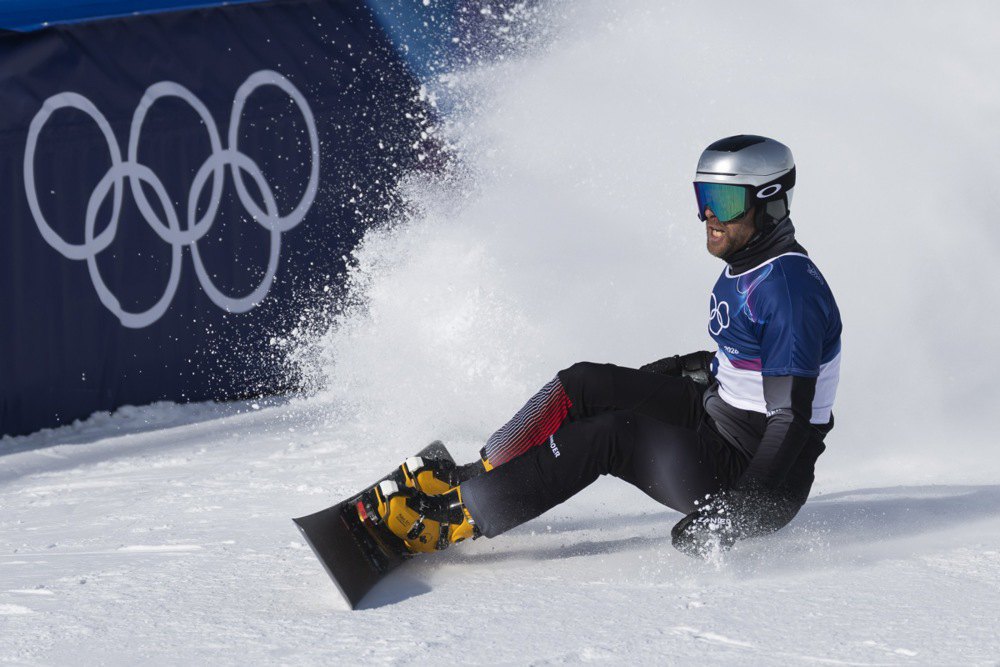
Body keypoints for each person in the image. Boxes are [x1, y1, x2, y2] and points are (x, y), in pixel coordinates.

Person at [371, 135, 842, 558]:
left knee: (608, 435)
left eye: (723, 199)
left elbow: (792, 419)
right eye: (702, 197)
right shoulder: (751, 263)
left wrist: (737, 513)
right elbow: (748, 359)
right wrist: (686, 367)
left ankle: (454, 521)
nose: (708, 215)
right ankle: (480, 473)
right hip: (721, 417)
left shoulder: (787, 291)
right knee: (585, 383)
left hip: (753, 476)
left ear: (769, 202)